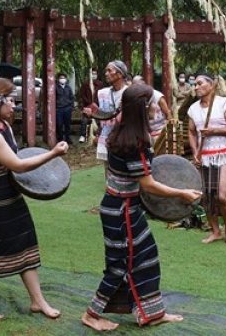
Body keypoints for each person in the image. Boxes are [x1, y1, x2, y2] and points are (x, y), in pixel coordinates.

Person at [81, 84, 201, 331]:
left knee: (146, 256)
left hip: (124, 208)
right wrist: (182, 193)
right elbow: (149, 185)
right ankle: (92, 314)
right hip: (121, 211)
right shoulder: (135, 142)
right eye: (152, 103)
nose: (156, 107)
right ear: (142, 108)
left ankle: (153, 312)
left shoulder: (121, 132)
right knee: (119, 265)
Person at [0, 78, 68, 321]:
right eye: (10, 100)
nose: (14, 105)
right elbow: (17, 165)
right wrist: (52, 153)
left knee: (25, 242)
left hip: (11, 194)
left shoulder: (4, 126)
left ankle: (37, 300)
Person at [187, 72, 226, 245]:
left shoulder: (224, 104)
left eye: (199, 83)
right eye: (194, 84)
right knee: (206, 196)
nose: (196, 87)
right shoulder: (193, 109)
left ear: (211, 85)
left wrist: (213, 131)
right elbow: (191, 131)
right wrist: (195, 151)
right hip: (205, 156)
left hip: (225, 153)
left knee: (221, 196)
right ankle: (215, 231)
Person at [83, 61, 128, 164]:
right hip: (106, 138)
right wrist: (91, 114)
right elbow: (98, 114)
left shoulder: (129, 92)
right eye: (106, 71)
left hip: (124, 139)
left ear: (119, 74)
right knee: (108, 173)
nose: (106, 73)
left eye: (109, 71)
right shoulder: (102, 93)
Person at [133, 75, 171, 144]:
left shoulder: (157, 96)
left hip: (160, 131)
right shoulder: (135, 97)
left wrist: (168, 131)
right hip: (146, 133)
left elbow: (168, 114)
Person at [78, 68, 103, 143]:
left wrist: (96, 103)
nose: (94, 75)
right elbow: (82, 95)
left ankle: (98, 135)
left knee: (99, 120)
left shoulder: (100, 84)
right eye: (92, 74)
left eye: (95, 74)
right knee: (84, 121)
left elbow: (102, 95)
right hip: (87, 105)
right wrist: (88, 103)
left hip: (97, 106)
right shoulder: (85, 84)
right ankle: (82, 135)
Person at [54, 72, 75, 144]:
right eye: (61, 78)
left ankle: (68, 138)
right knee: (59, 124)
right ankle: (60, 139)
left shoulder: (68, 87)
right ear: (58, 79)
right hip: (59, 109)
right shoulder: (55, 87)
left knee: (67, 124)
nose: (62, 79)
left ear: (66, 79)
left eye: (64, 78)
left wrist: (71, 107)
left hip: (67, 109)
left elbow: (72, 97)